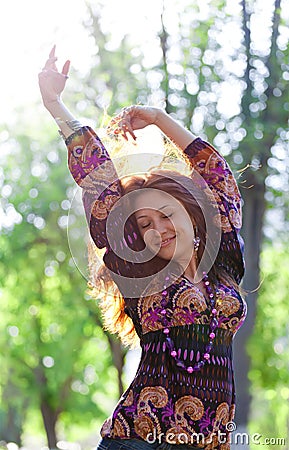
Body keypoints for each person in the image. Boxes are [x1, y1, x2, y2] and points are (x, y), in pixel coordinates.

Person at [38, 46, 247, 450]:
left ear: (192, 214)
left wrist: (158, 119)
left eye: (166, 216)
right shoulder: (142, 275)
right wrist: (54, 104)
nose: (158, 230)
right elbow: (99, 180)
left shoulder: (224, 267)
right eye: (145, 224)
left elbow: (219, 178)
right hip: (139, 440)